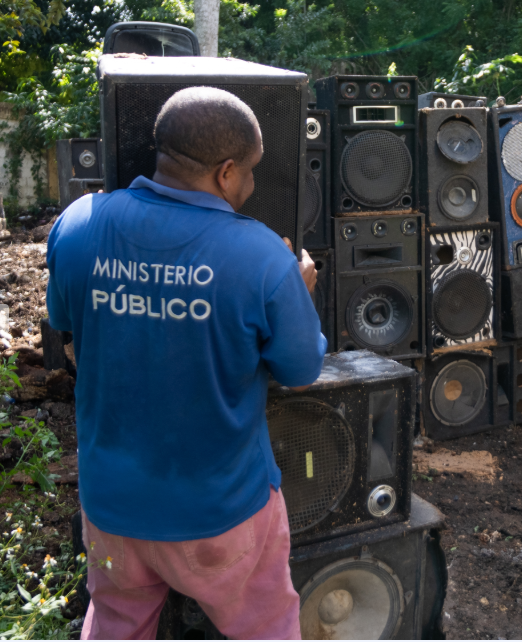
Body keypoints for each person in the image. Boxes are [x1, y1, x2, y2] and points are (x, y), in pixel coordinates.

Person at [46, 87, 327, 640]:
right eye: (251, 172)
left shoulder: (78, 224)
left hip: (112, 507)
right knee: (265, 628)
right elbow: (300, 373)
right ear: (226, 173)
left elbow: (65, 322)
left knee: (116, 623)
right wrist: (299, 292)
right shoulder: (265, 257)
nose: (252, 185)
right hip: (221, 513)